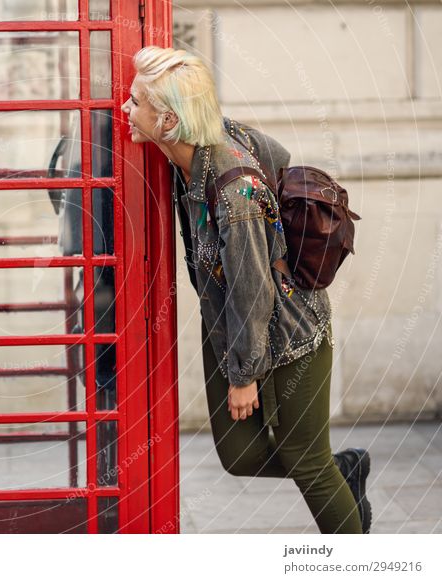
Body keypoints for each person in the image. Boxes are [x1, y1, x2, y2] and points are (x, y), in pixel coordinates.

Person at [121, 46, 372, 534]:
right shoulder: (202, 140)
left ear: (168, 119)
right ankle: (344, 472)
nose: (125, 110)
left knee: (308, 463)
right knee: (238, 455)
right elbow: (276, 153)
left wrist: (243, 377)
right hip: (232, 324)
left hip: (287, 335)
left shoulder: (235, 192)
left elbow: (253, 290)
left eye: (136, 103)